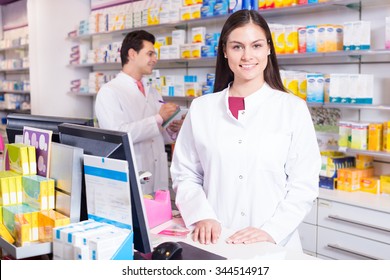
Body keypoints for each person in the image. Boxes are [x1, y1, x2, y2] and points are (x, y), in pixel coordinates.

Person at [170, 10, 321, 251]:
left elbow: (303, 184)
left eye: (256, 45)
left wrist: (272, 230)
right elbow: (185, 173)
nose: (247, 55)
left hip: (274, 243)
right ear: (225, 51)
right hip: (215, 240)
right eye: (237, 46)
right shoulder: (201, 109)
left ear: (269, 49)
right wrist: (202, 215)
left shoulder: (292, 108)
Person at [95, 30, 183, 195]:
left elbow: (155, 134)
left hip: (156, 174)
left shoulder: (153, 91)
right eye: (150, 54)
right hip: (132, 174)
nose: (155, 59)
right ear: (132, 54)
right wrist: (158, 118)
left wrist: (171, 128)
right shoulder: (109, 92)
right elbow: (117, 134)